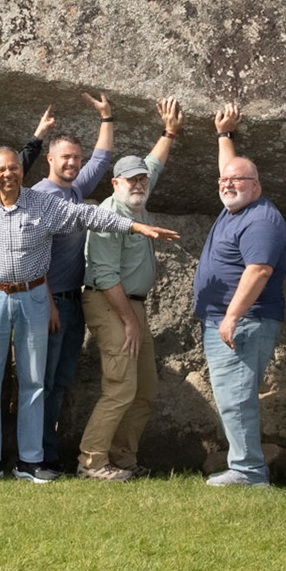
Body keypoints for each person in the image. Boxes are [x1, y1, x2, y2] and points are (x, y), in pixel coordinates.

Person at [0, 146, 178, 482]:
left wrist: (136, 228)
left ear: (22, 171)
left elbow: (89, 216)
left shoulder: (42, 203)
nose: (8, 174)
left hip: (32, 296)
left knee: (33, 382)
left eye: (14, 168)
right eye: (1, 170)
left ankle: (29, 461)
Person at [74, 97, 184, 481]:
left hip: (131, 306)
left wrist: (168, 132)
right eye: (131, 180)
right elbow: (104, 276)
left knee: (144, 390)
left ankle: (123, 457)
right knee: (120, 387)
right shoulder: (110, 214)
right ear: (115, 182)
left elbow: (154, 165)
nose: (140, 184)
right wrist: (130, 321)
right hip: (110, 304)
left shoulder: (138, 201)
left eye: (142, 179)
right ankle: (91, 462)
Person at [195, 104, 286, 488]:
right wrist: (225, 135)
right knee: (232, 396)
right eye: (224, 181)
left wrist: (232, 316)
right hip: (227, 319)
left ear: (257, 186)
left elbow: (259, 271)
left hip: (244, 322)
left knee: (236, 398)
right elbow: (230, 170)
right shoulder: (238, 206)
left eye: (237, 182)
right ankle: (243, 466)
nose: (228, 184)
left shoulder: (260, 219)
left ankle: (250, 472)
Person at [23, 92, 115, 471]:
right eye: (66, 158)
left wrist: (106, 118)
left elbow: (102, 159)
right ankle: (34, 456)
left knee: (59, 384)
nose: (74, 163)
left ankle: (48, 453)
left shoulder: (75, 190)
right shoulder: (41, 196)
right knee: (40, 384)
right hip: (50, 303)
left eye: (76, 158)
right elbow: (30, 255)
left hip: (72, 302)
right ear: (51, 160)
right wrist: (46, 303)